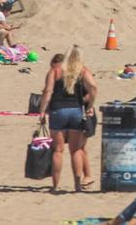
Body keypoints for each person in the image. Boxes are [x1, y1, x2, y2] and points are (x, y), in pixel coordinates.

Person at [38, 45, 97, 192]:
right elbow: (93, 88)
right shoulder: (81, 71)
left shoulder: (55, 71)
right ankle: (77, 186)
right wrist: (90, 105)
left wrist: (42, 111)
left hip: (58, 111)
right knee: (76, 150)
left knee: (58, 150)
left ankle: (55, 186)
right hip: (76, 111)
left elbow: (48, 91)